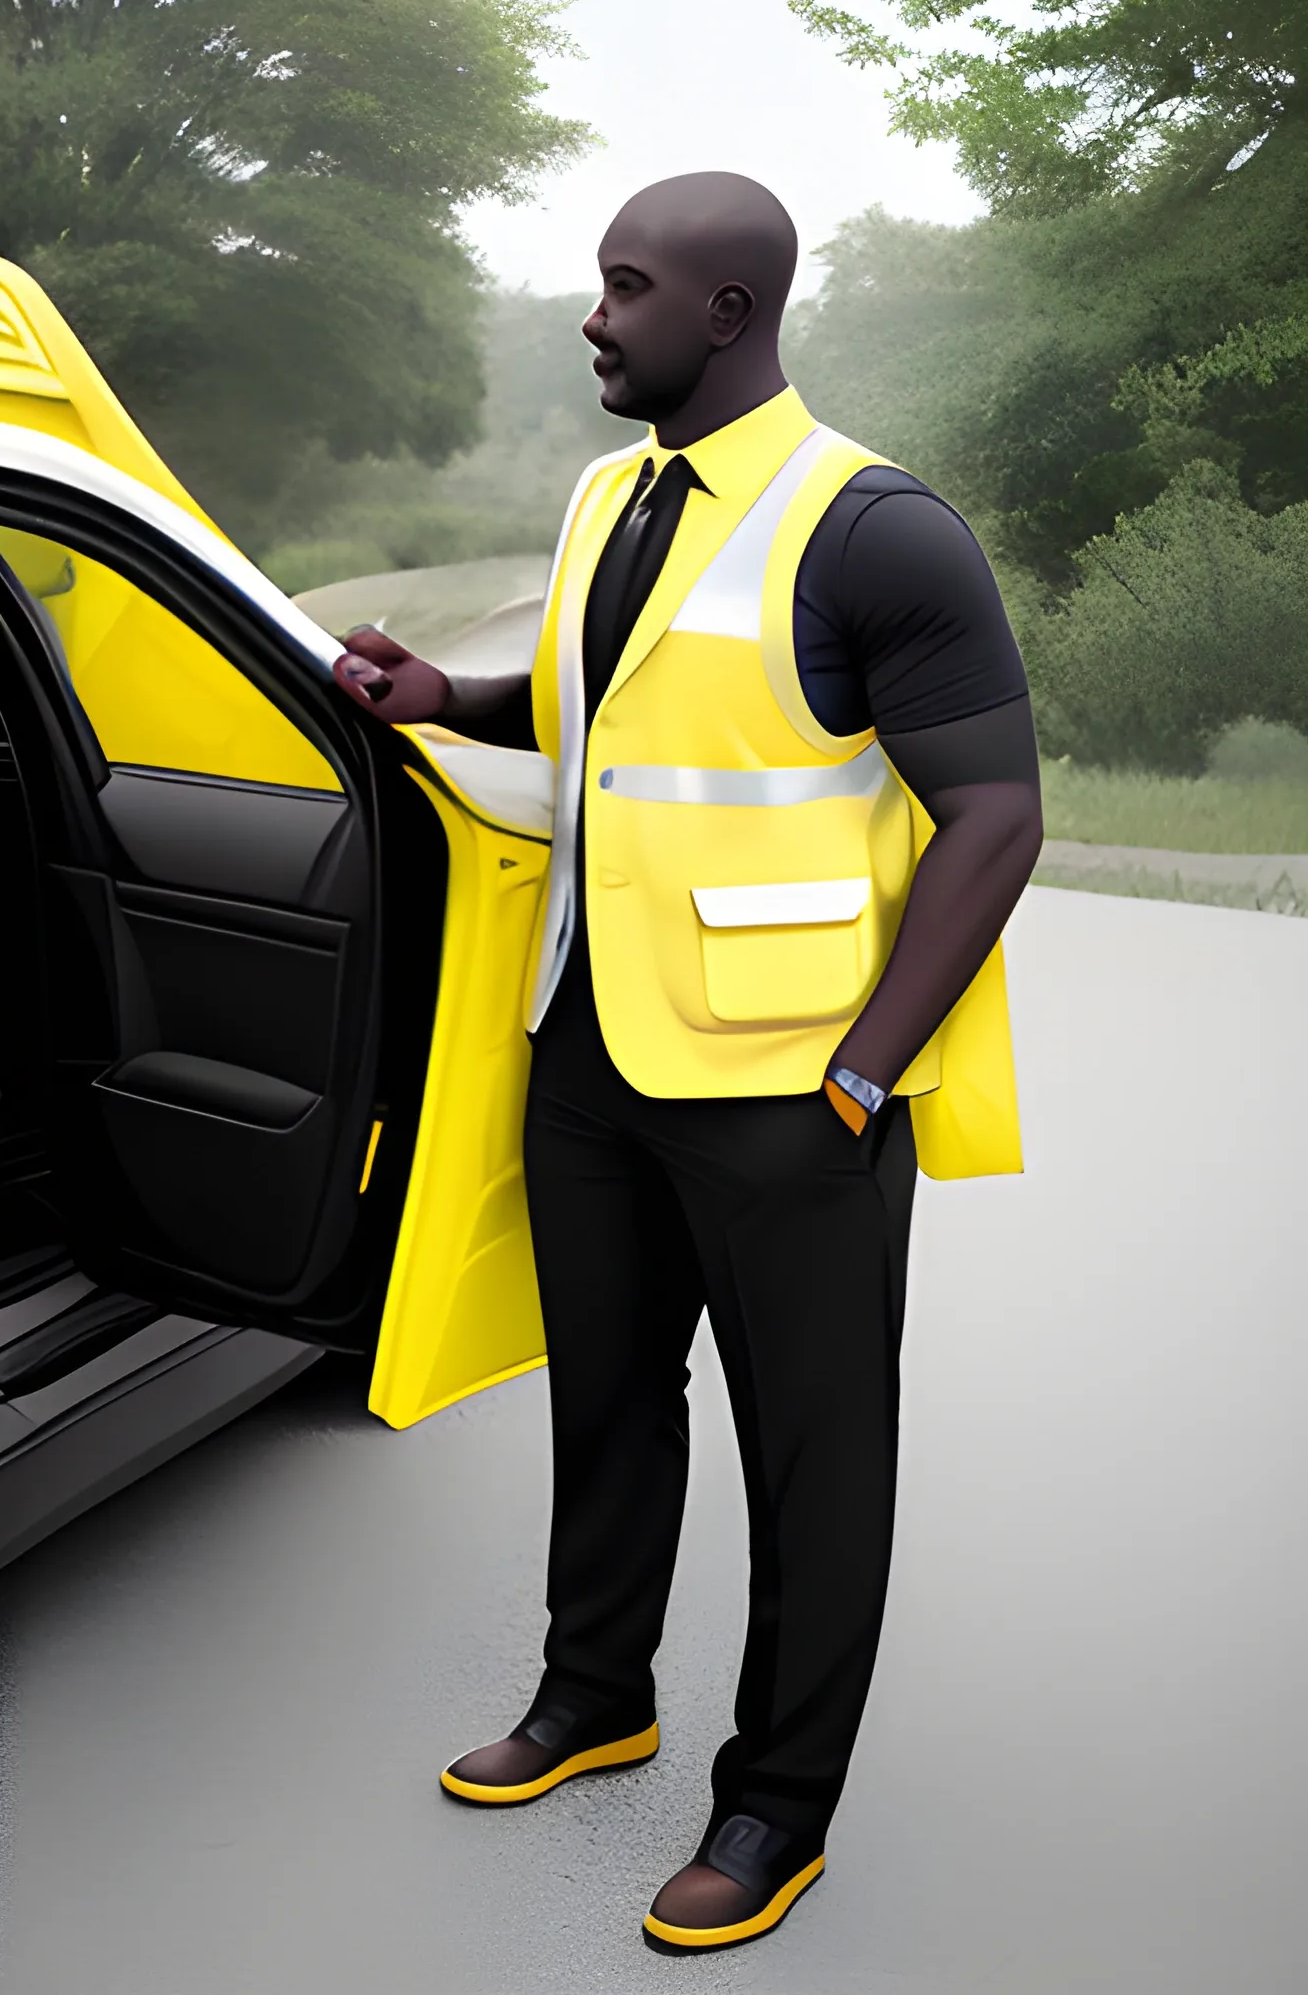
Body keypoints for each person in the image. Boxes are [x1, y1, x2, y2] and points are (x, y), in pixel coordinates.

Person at [332, 171, 1041, 1952]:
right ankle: (597, 1700)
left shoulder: (876, 527)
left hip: (796, 1086)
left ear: (728, 313)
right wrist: (447, 699)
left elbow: (998, 820)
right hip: (589, 1053)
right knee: (610, 1402)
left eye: (625, 288)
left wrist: (869, 1075)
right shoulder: (608, 493)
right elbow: (595, 704)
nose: (595, 315)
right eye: (599, 283)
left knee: (815, 1462)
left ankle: (777, 1808)